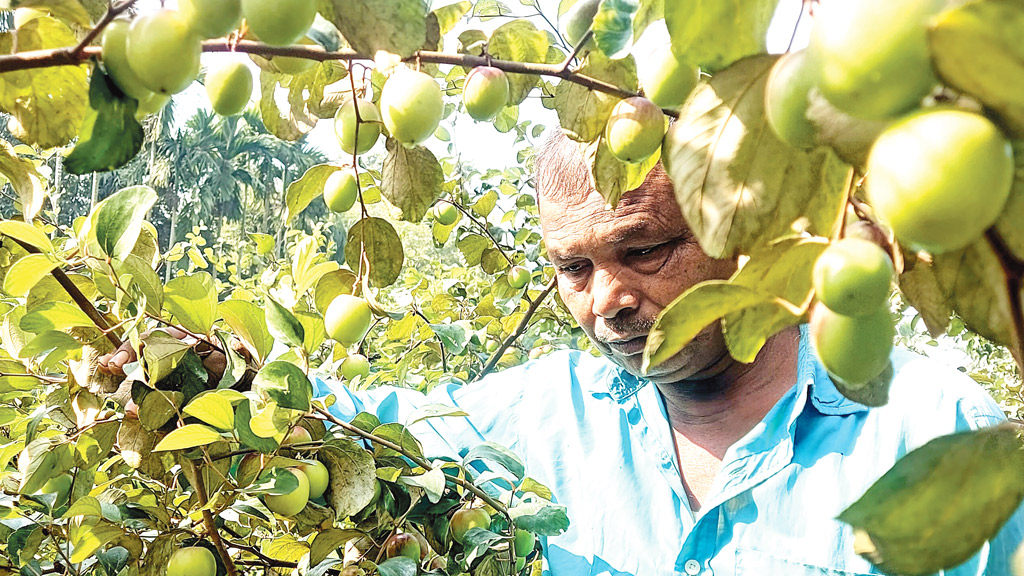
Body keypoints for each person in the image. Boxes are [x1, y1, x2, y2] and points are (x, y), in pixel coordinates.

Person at [101, 132, 1024, 576]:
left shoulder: (933, 436)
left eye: (645, 250)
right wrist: (212, 373)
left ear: (750, 229)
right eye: (573, 267)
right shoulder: (530, 425)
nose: (610, 301)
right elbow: (359, 427)